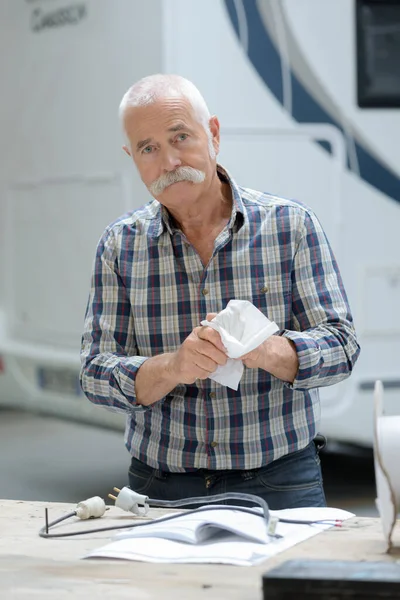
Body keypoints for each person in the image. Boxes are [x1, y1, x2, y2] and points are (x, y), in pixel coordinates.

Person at [80, 74, 360, 510]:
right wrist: (174, 366)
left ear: (213, 134)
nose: (169, 161)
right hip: (158, 487)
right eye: (148, 148)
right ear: (131, 156)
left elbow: (343, 348)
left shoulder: (290, 226)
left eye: (181, 137)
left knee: (291, 582)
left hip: (281, 481)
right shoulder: (120, 246)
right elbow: (95, 375)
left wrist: (267, 350)